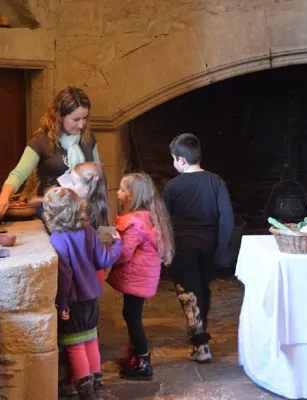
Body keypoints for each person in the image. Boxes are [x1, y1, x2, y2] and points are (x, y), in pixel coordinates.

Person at [44, 187, 122, 400]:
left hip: (75, 301)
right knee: (91, 340)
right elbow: (103, 261)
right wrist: (117, 243)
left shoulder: (58, 239)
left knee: (75, 345)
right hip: (92, 298)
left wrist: (64, 304)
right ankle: (97, 381)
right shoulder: (88, 232)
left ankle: (85, 389)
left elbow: (65, 276)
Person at [162, 133, 234, 363]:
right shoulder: (216, 181)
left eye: (173, 159)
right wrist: (222, 248)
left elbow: (164, 220)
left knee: (188, 294)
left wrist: (164, 249)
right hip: (209, 246)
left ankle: (200, 346)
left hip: (183, 248)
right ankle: (201, 334)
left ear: (181, 160)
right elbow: (227, 217)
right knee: (203, 289)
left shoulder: (172, 186)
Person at [106, 173, 174, 381]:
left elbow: (124, 253)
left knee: (132, 317)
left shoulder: (134, 223)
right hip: (143, 276)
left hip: (137, 277)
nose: (118, 193)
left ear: (132, 195)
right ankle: (136, 353)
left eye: (122, 190)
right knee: (132, 314)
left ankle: (143, 362)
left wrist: (110, 242)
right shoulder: (149, 217)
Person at [0, 86, 100, 217]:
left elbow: (98, 176)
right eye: (76, 119)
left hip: (84, 213)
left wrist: (95, 183)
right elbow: (18, 174)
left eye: (84, 118)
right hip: (52, 215)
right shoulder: (41, 141)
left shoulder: (88, 140)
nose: (81, 125)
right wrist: (4, 196)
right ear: (60, 116)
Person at [71, 162, 111, 281]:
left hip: (83, 272)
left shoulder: (82, 211)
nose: (71, 186)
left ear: (87, 187)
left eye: (74, 183)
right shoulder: (103, 207)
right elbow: (107, 238)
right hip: (96, 269)